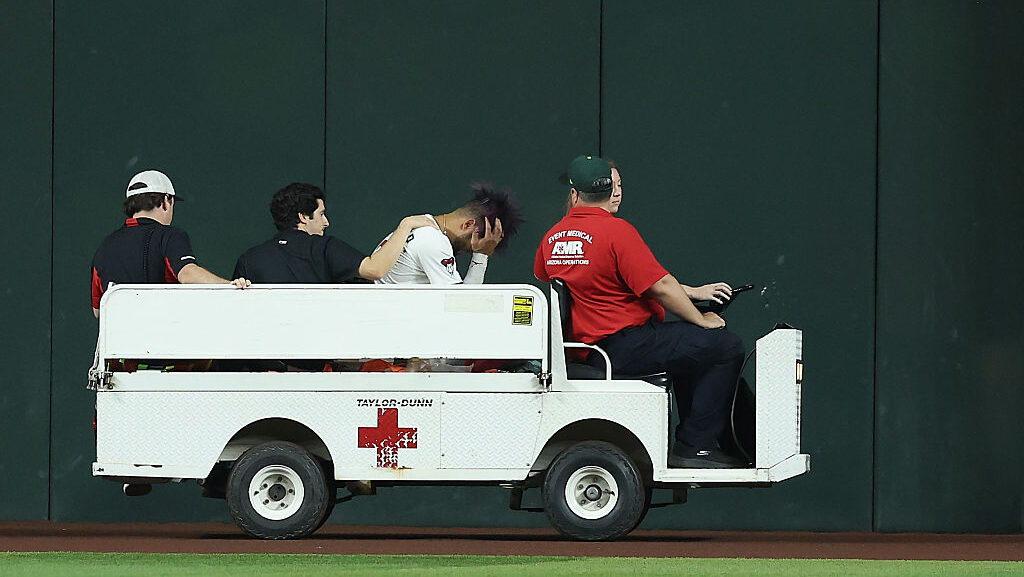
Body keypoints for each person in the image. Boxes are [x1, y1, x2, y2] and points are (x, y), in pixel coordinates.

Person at [535, 155, 746, 469]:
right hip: (623, 345)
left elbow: (612, 280)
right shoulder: (616, 231)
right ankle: (694, 446)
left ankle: (694, 442)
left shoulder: (552, 238)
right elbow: (659, 287)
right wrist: (700, 317)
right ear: (609, 192)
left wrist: (693, 292)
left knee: (691, 350)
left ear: (575, 195)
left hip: (589, 349)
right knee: (725, 346)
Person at [91, 170, 249, 318]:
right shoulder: (169, 235)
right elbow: (187, 273)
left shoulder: (105, 246)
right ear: (166, 201)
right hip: (160, 340)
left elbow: (98, 310)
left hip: (117, 344)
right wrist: (229, 286)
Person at [233, 182, 436, 283]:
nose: (326, 222)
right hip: (316, 361)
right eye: (321, 214)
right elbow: (377, 269)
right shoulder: (324, 248)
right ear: (303, 216)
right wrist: (405, 225)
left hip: (259, 361)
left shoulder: (249, 259)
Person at [372, 183, 523, 285]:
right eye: (470, 247)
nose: (466, 251)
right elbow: (461, 307)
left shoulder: (423, 226)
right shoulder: (433, 240)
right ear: (468, 225)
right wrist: (481, 255)